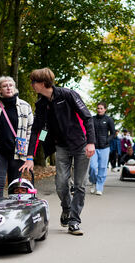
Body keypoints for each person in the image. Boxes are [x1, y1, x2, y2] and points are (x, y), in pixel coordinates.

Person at [20, 67, 95, 235]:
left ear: (43, 82)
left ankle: (74, 221)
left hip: (80, 145)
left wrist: (91, 142)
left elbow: (87, 117)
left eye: (34, 82)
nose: (32, 85)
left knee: (80, 185)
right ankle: (66, 208)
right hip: (61, 146)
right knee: (61, 184)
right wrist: (30, 156)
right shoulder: (41, 104)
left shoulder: (67, 95)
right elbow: (36, 131)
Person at [0, 76, 34, 197]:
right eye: (5, 86)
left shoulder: (25, 106)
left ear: (14, 88)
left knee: (15, 185)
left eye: (11, 85)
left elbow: (31, 130)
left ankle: (13, 212)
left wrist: (28, 151)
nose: (8, 87)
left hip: (18, 152)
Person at [88, 102, 114, 195]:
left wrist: (107, 140)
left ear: (105, 109)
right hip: (94, 147)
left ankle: (99, 187)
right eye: (98, 108)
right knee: (93, 167)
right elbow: (89, 131)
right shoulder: (92, 119)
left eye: (101, 108)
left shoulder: (109, 120)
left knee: (102, 167)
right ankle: (93, 182)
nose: (99, 110)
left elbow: (113, 133)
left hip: (105, 148)